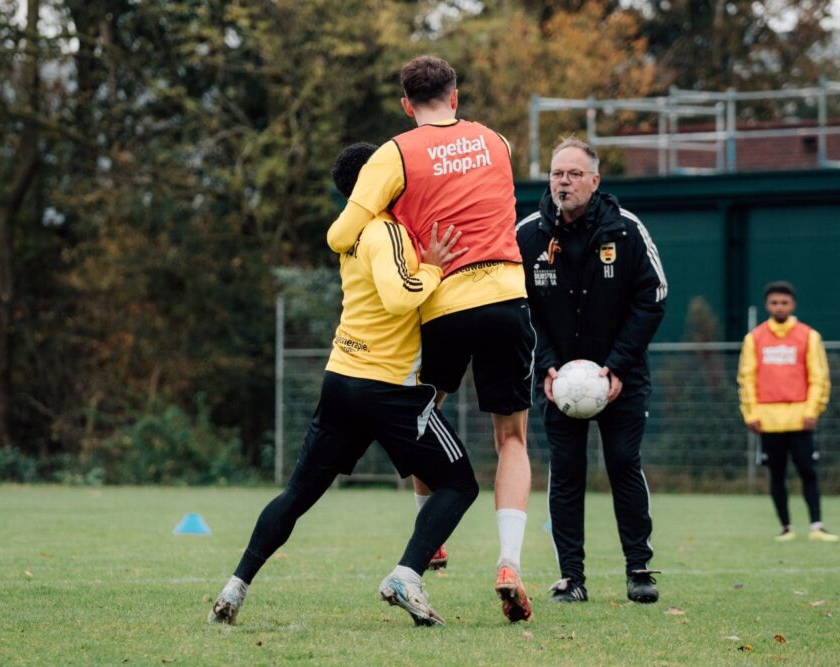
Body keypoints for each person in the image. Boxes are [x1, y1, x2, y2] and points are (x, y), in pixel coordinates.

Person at [207, 143, 479, 627]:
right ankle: (406, 574)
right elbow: (400, 297)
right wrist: (435, 267)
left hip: (341, 379)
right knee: (460, 482)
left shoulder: (352, 234)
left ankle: (236, 585)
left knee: (298, 493)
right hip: (387, 387)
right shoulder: (387, 232)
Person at [326, 56, 535, 622]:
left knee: (423, 415)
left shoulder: (396, 153)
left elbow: (342, 231)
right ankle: (510, 561)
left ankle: (432, 537)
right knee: (511, 438)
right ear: (456, 96)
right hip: (506, 295)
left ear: (404, 104)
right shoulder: (496, 142)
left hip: (443, 304)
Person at [515, 138, 668, 604]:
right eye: (558, 174)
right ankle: (571, 578)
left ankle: (639, 569)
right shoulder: (528, 235)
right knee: (565, 470)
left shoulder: (625, 229)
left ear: (595, 181)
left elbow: (654, 295)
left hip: (620, 377)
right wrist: (546, 365)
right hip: (557, 380)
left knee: (623, 463)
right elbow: (519, 305)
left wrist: (618, 364)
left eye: (575, 174)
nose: (564, 181)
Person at [737, 281, 838, 542]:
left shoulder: (808, 336)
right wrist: (751, 414)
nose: (779, 307)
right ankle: (786, 528)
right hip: (768, 420)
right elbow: (747, 378)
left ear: (792, 305)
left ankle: (816, 526)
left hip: (800, 418)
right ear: (767, 306)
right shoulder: (755, 338)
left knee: (808, 471)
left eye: (784, 302)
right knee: (777, 474)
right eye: (774, 303)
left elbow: (819, 376)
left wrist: (813, 410)